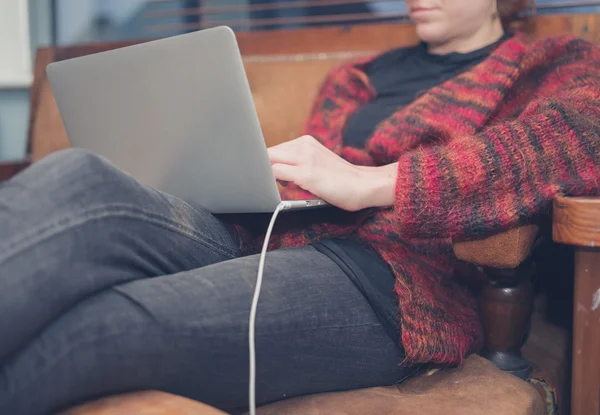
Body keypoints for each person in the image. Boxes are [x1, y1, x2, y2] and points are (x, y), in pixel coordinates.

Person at [1, 0, 599, 414]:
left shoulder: (546, 65)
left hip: (385, 277)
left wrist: (375, 182)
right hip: (261, 234)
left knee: (103, 326)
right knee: (79, 176)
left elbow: (583, 132)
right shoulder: (353, 78)